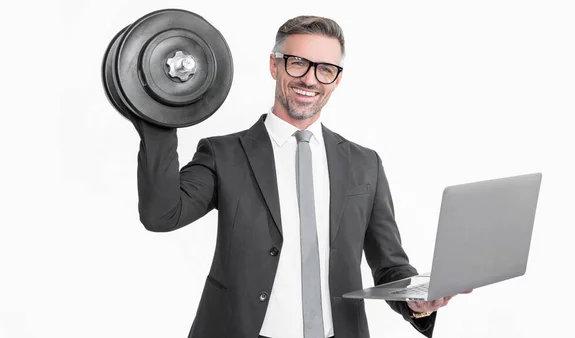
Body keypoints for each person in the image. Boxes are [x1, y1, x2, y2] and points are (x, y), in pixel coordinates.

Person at [126, 15, 467, 338]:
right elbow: (161, 214)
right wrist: (160, 112)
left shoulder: (366, 164)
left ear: (337, 79)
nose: (310, 79)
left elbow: (391, 267)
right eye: (298, 63)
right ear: (275, 65)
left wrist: (417, 300)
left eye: (325, 69)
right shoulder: (224, 155)